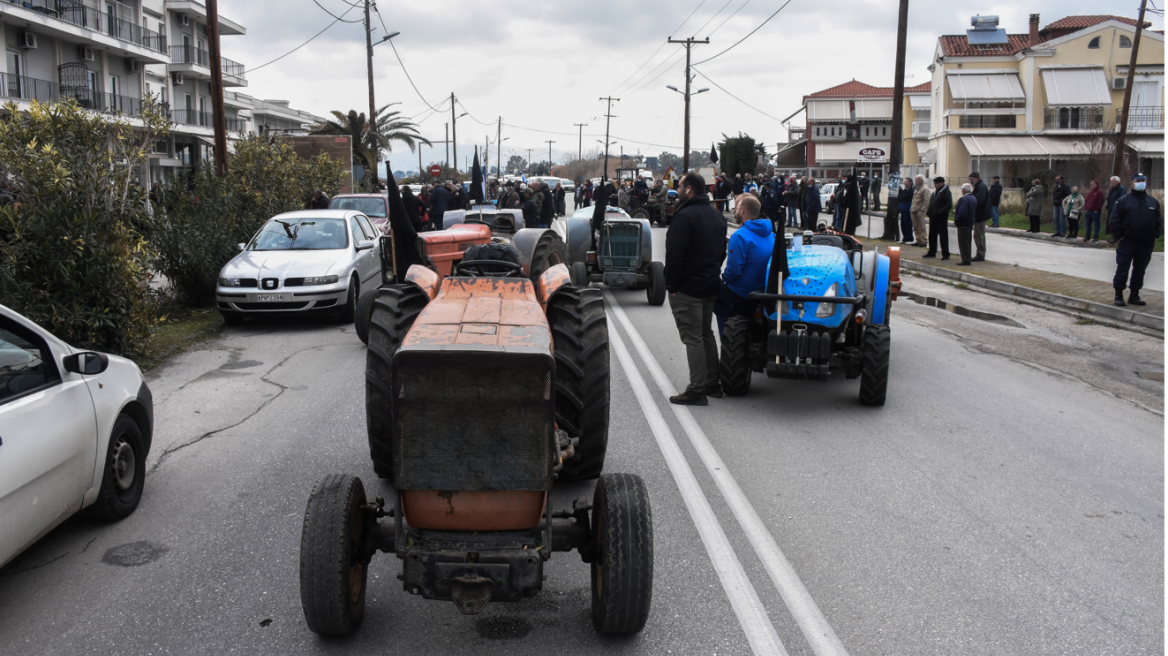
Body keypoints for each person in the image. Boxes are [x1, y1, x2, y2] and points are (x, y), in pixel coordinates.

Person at [665, 171, 728, 406]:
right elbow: (721, 252)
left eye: (680, 186)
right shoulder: (717, 216)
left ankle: (697, 390)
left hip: (688, 288)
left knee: (693, 338)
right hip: (710, 284)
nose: (677, 190)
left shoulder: (685, 216)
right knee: (705, 334)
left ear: (689, 189)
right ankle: (713, 384)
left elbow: (675, 255)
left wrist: (671, 285)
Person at [714, 194, 773, 335]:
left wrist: (724, 279)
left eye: (737, 207)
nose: (734, 210)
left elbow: (733, 271)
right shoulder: (771, 235)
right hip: (763, 289)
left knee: (712, 291)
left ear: (742, 210)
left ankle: (726, 333)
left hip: (743, 292)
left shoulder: (740, 236)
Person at [1109, 173, 1162, 307]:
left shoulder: (1153, 202)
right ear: (1132, 183)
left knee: (1140, 269)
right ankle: (1119, 294)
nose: (1141, 183)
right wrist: (1119, 235)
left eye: (1143, 181)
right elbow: (1115, 220)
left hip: (1146, 243)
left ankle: (1134, 295)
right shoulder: (1123, 201)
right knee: (1123, 268)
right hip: (1128, 241)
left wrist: (1155, 234)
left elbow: (1158, 221)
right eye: (1138, 181)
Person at [922, 176, 952, 260]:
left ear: (941, 183)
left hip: (941, 217)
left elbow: (949, 204)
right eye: (934, 183)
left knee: (943, 236)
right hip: (933, 217)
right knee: (932, 235)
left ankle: (945, 254)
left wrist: (939, 211)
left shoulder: (946, 192)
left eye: (936, 183)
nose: (935, 185)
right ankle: (932, 251)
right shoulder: (936, 192)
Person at [954, 183, 977, 266]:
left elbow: (963, 213)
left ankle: (965, 259)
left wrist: (957, 217)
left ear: (963, 190)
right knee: (968, 242)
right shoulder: (973, 198)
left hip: (963, 224)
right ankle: (968, 257)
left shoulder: (964, 199)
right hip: (970, 222)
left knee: (963, 243)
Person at [969, 172, 990, 261]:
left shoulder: (981, 187)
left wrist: (970, 202)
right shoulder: (978, 187)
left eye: (971, 179)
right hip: (979, 214)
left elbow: (979, 201)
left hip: (980, 214)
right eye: (970, 179)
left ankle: (980, 254)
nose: (970, 181)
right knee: (979, 235)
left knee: (978, 235)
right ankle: (980, 253)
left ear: (976, 178)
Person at [910, 174, 931, 247]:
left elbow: (926, 201)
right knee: (915, 226)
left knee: (922, 226)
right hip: (914, 210)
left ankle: (924, 241)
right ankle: (918, 240)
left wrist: (922, 210)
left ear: (922, 180)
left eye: (917, 179)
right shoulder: (917, 189)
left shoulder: (925, 189)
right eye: (916, 179)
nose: (916, 181)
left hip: (920, 211)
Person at [1106, 175, 1127, 243]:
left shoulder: (1121, 189)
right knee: (1111, 223)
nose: (1111, 183)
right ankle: (1112, 236)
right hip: (1111, 208)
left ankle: (1116, 237)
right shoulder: (1112, 189)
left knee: (1115, 223)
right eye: (1111, 181)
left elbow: (1122, 199)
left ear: (1117, 182)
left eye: (1113, 181)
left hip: (1117, 209)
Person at [896, 178, 914, 243]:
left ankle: (909, 238)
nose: (904, 183)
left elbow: (906, 197)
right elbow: (899, 198)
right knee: (903, 225)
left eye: (906, 182)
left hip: (907, 209)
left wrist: (902, 198)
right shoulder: (904, 190)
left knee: (908, 224)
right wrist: (901, 199)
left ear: (910, 183)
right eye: (904, 182)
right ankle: (905, 238)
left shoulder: (911, 190)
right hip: (902, 209)